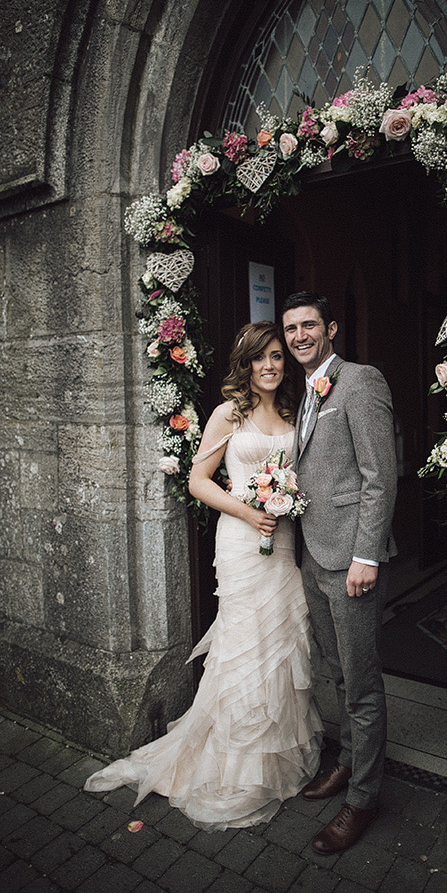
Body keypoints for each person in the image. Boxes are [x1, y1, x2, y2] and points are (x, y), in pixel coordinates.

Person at [84, 321, 322, 830]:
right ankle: (235, 764)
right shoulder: (226, 415)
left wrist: (282, 502)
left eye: (278, 357)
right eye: (261, 358)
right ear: (246, 363)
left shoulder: (292, 412)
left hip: (280, 542)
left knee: (278, 642)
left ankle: (272, 757)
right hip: (241, 538)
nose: (271, 366)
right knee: (243, 646)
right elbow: (197, 482)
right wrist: (246, 509)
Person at [282, 291, 398, 855]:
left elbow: (380, 475)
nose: (300, 336)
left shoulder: (360, 380)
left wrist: (366, 556)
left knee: (362, 681)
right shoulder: (302, 393)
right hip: (312, 556)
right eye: (291, 329)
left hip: (351, 560)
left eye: (309, 326)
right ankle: (349, 763)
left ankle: (365, 798)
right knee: (336, 672)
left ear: (330, 328)